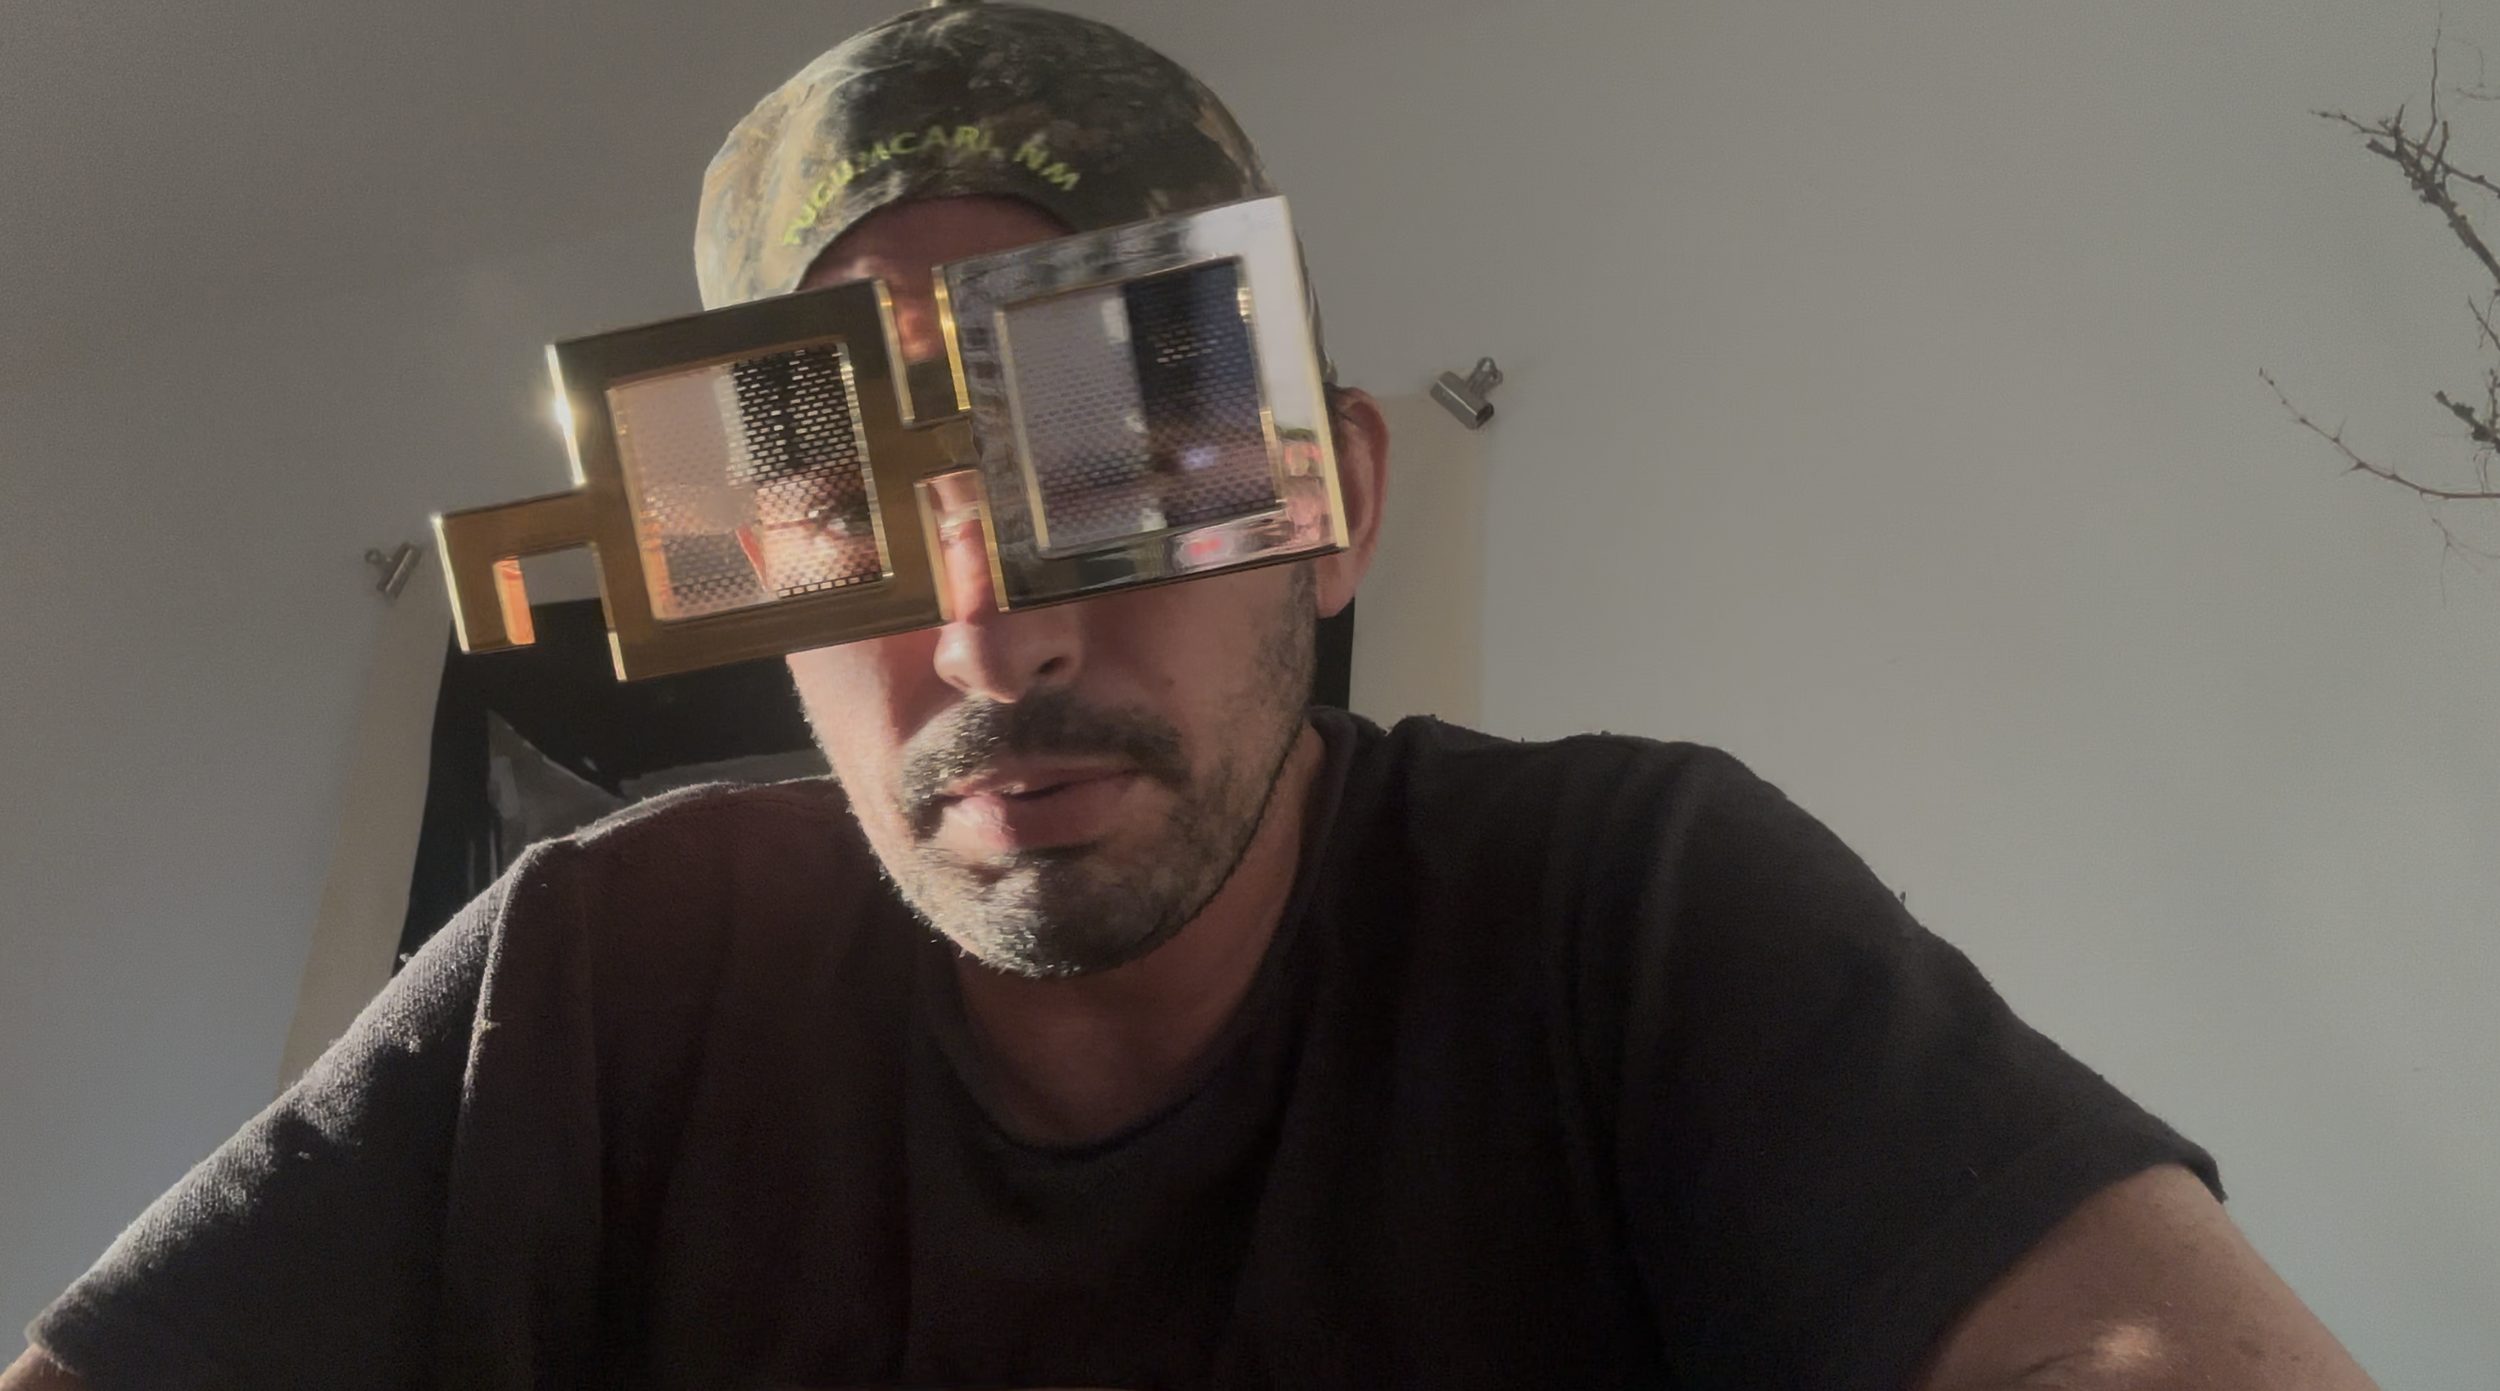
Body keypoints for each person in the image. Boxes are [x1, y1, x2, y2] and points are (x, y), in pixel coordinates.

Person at [7, 4, 2382, 1388]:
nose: (992, 636)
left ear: (1336, 506)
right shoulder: (593, 972)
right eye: (855, 526)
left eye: (1112, 467)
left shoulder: (1621, 910)